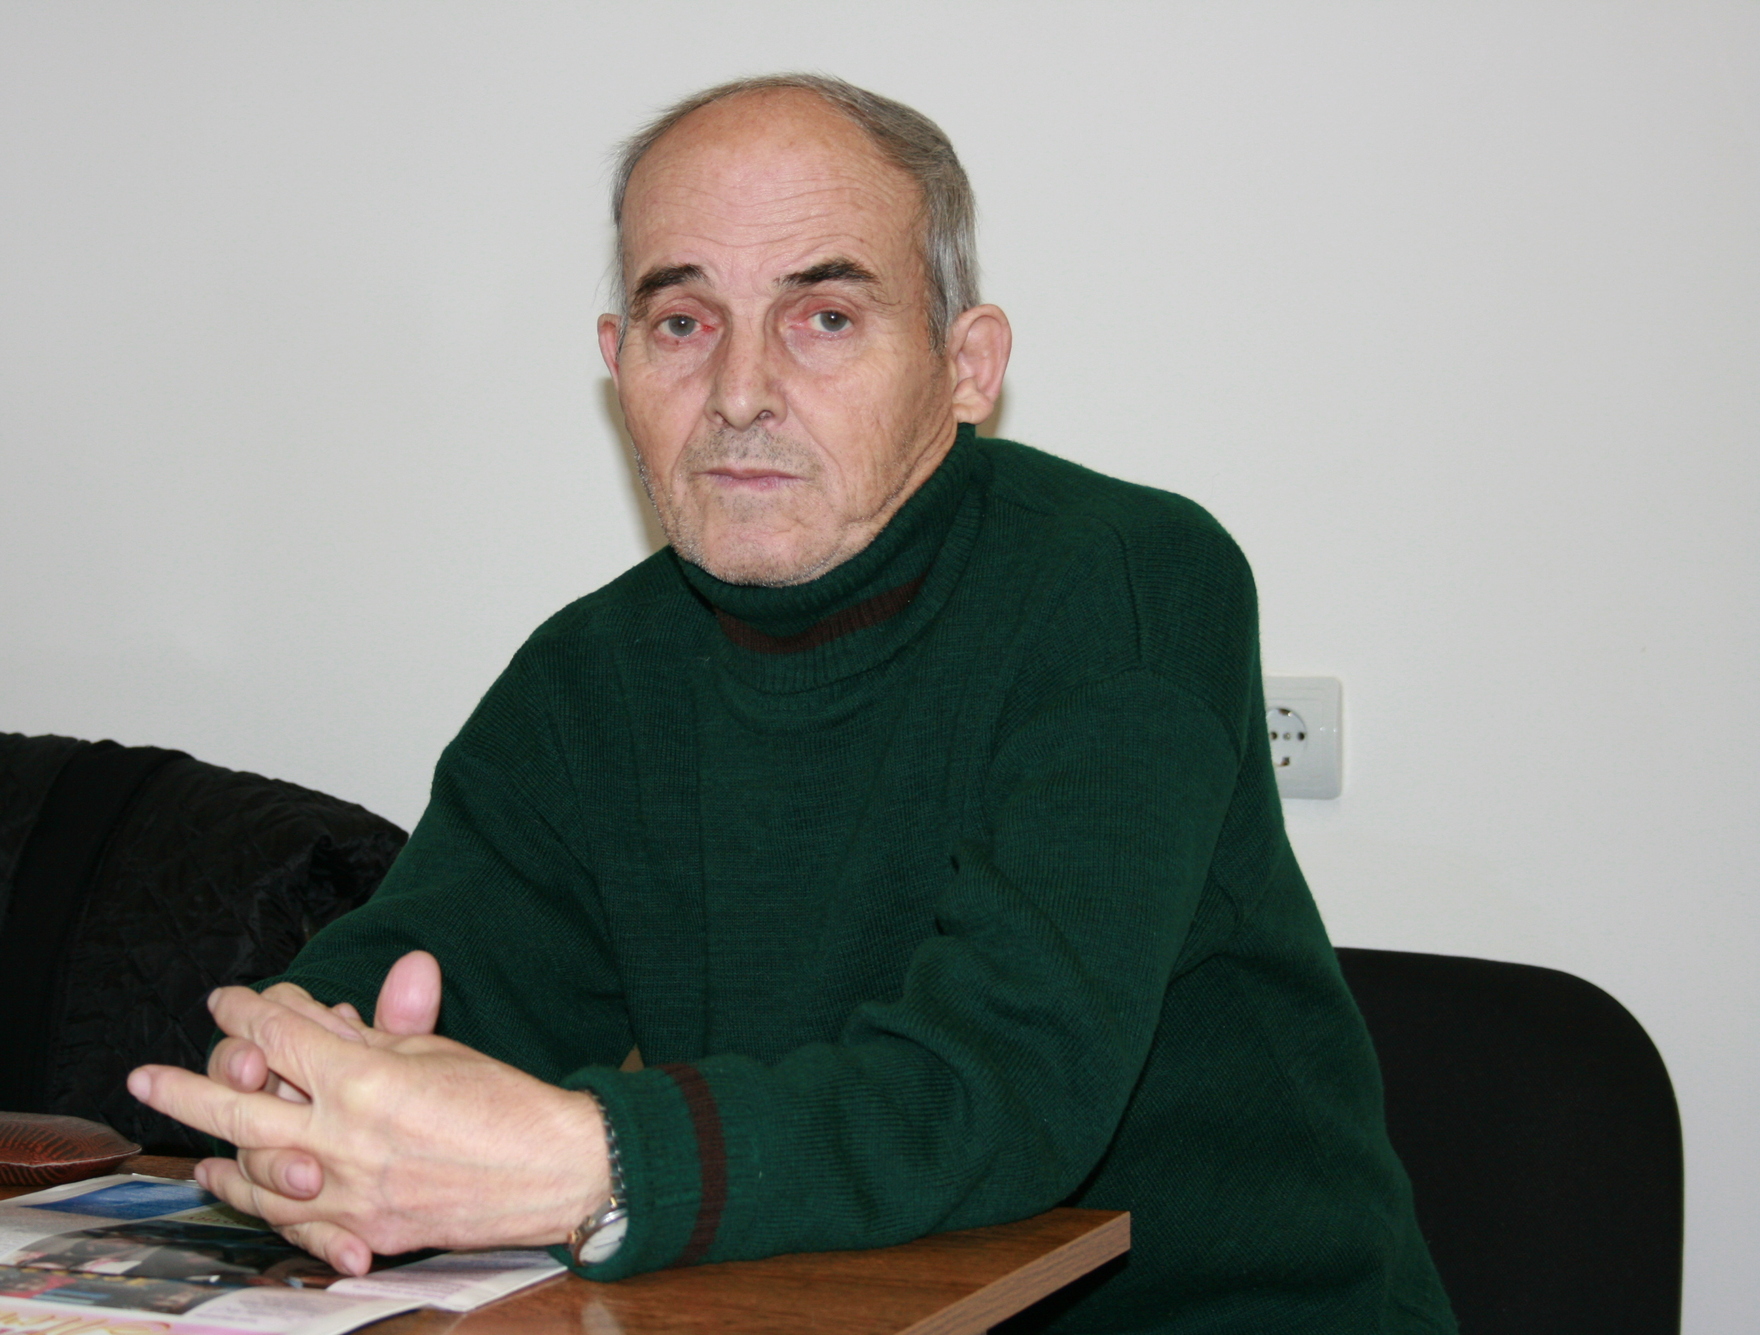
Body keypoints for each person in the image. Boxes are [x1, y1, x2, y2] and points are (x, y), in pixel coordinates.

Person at [129, 74, 1456, 1332]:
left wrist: (588, 1164)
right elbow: (434, 975)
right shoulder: (593, 675)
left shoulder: (1126, 582)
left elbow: (1005, 1087)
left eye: (824, 317)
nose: (741, 393)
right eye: (683, 323)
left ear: (966, 366)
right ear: (618, 365)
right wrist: (305, 1092)